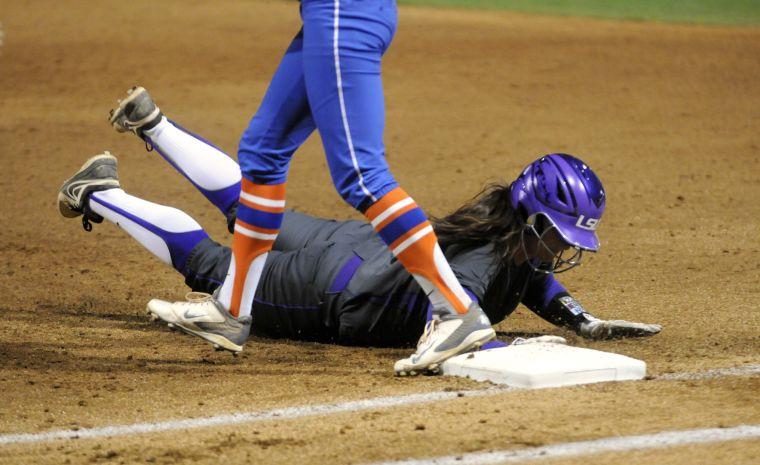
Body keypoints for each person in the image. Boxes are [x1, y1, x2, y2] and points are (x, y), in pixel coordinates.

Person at [57, 93, 661, 375]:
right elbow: (457, 320)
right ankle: (101, 194)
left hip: (349, 244)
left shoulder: (505, 234)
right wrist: (508, 346)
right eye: (561, 234)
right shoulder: (486, 258)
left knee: (251, 205)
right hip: (330, 293)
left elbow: (531, 282)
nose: (568, 247)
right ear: (533, 221)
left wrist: (580, 321)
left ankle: (154, 125)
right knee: (216, 268)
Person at [104, 0, 500, 374]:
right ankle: (231, 310)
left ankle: (456, 312)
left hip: (345, 12)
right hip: (327, 16)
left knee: (361, 175)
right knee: (263, 152)